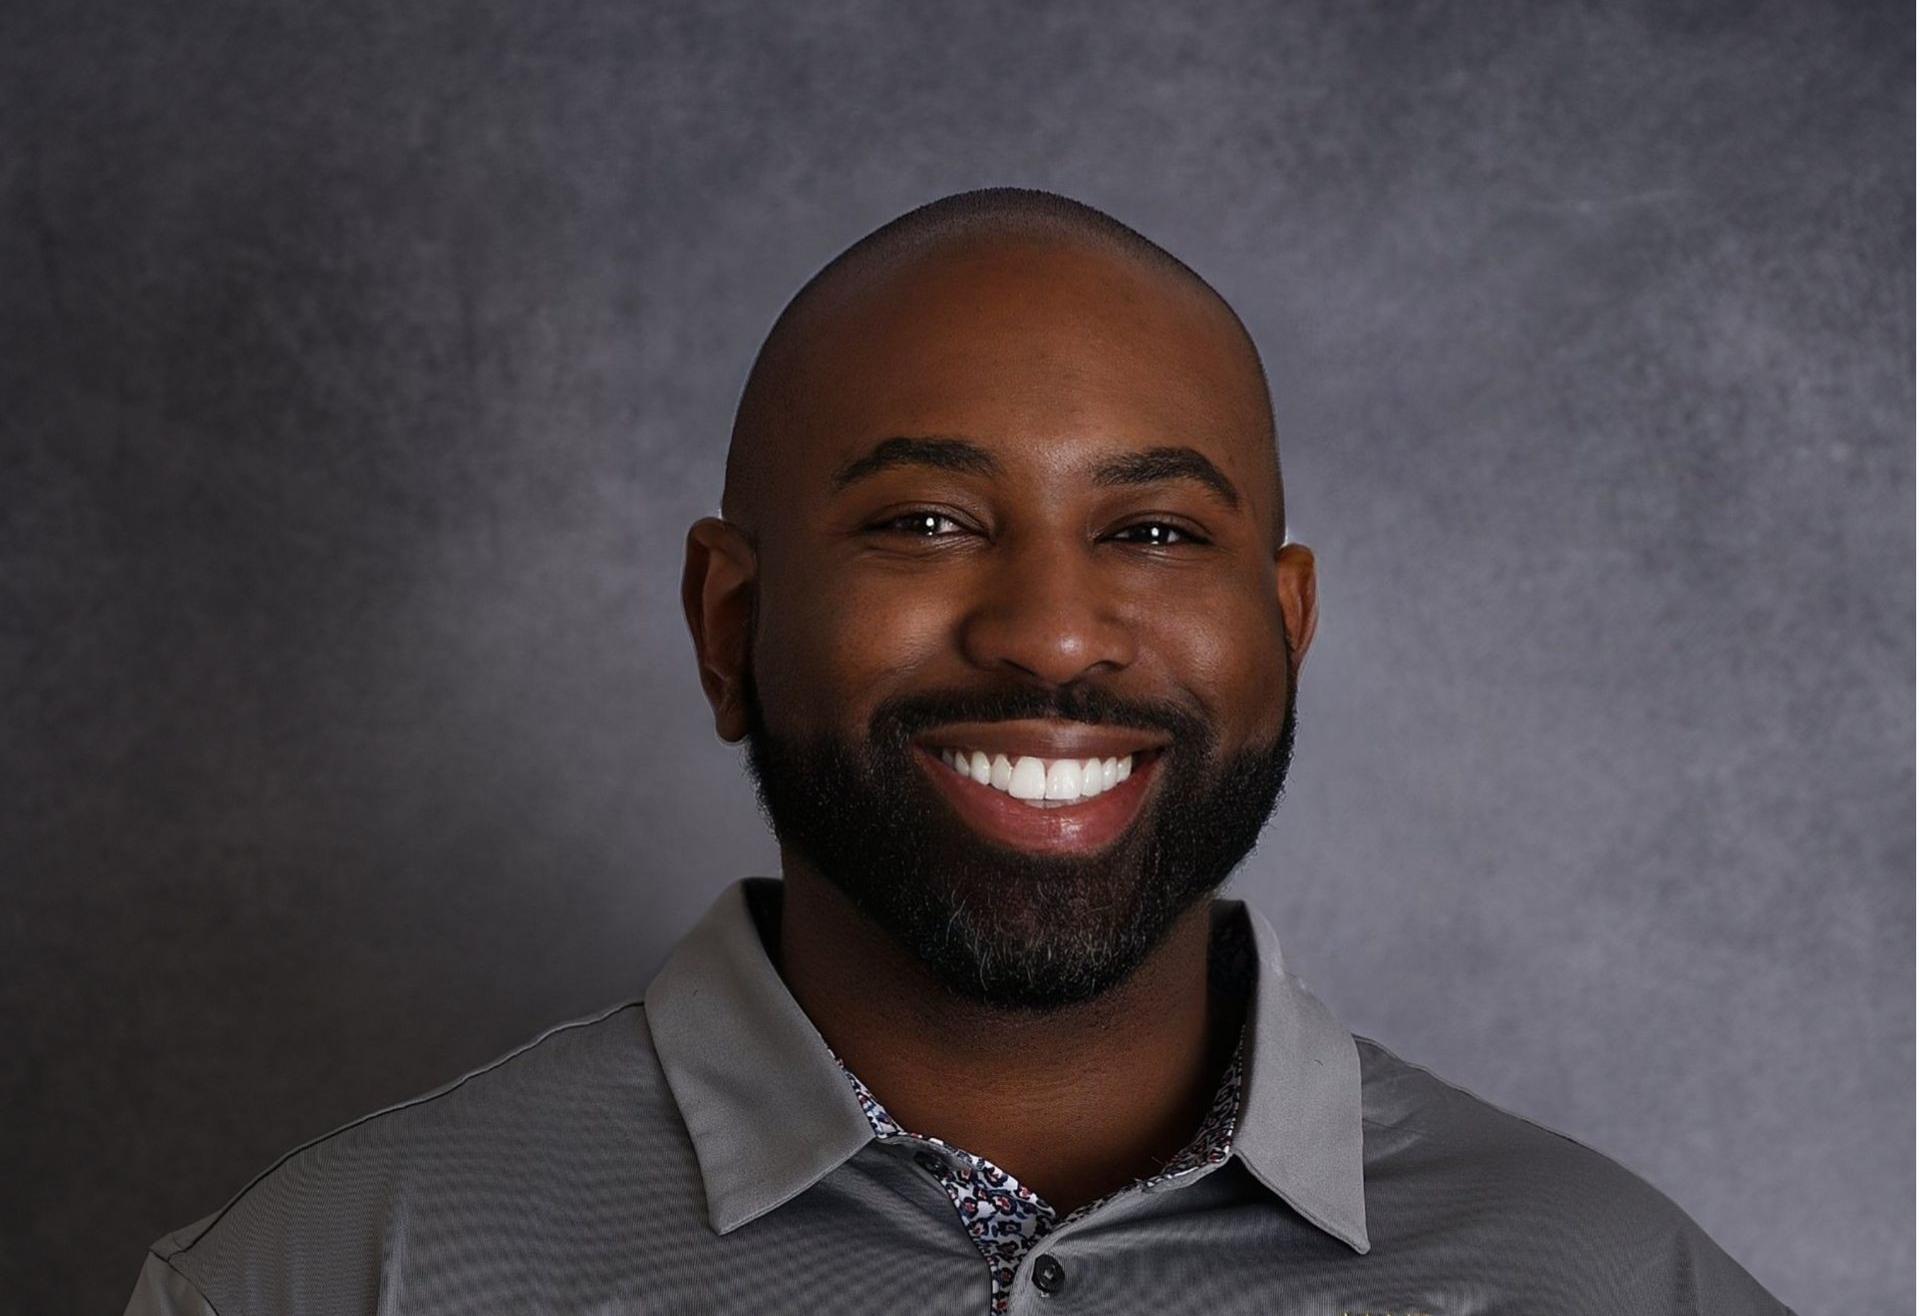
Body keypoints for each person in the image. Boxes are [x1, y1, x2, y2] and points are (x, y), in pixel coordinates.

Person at [124, 188, 1795, 1315]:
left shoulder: (1613, 1281)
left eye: (1151, 529)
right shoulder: (338, 1278)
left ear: (1285, 623)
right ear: (729, 621)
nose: (1054, 631)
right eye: (925, 519)